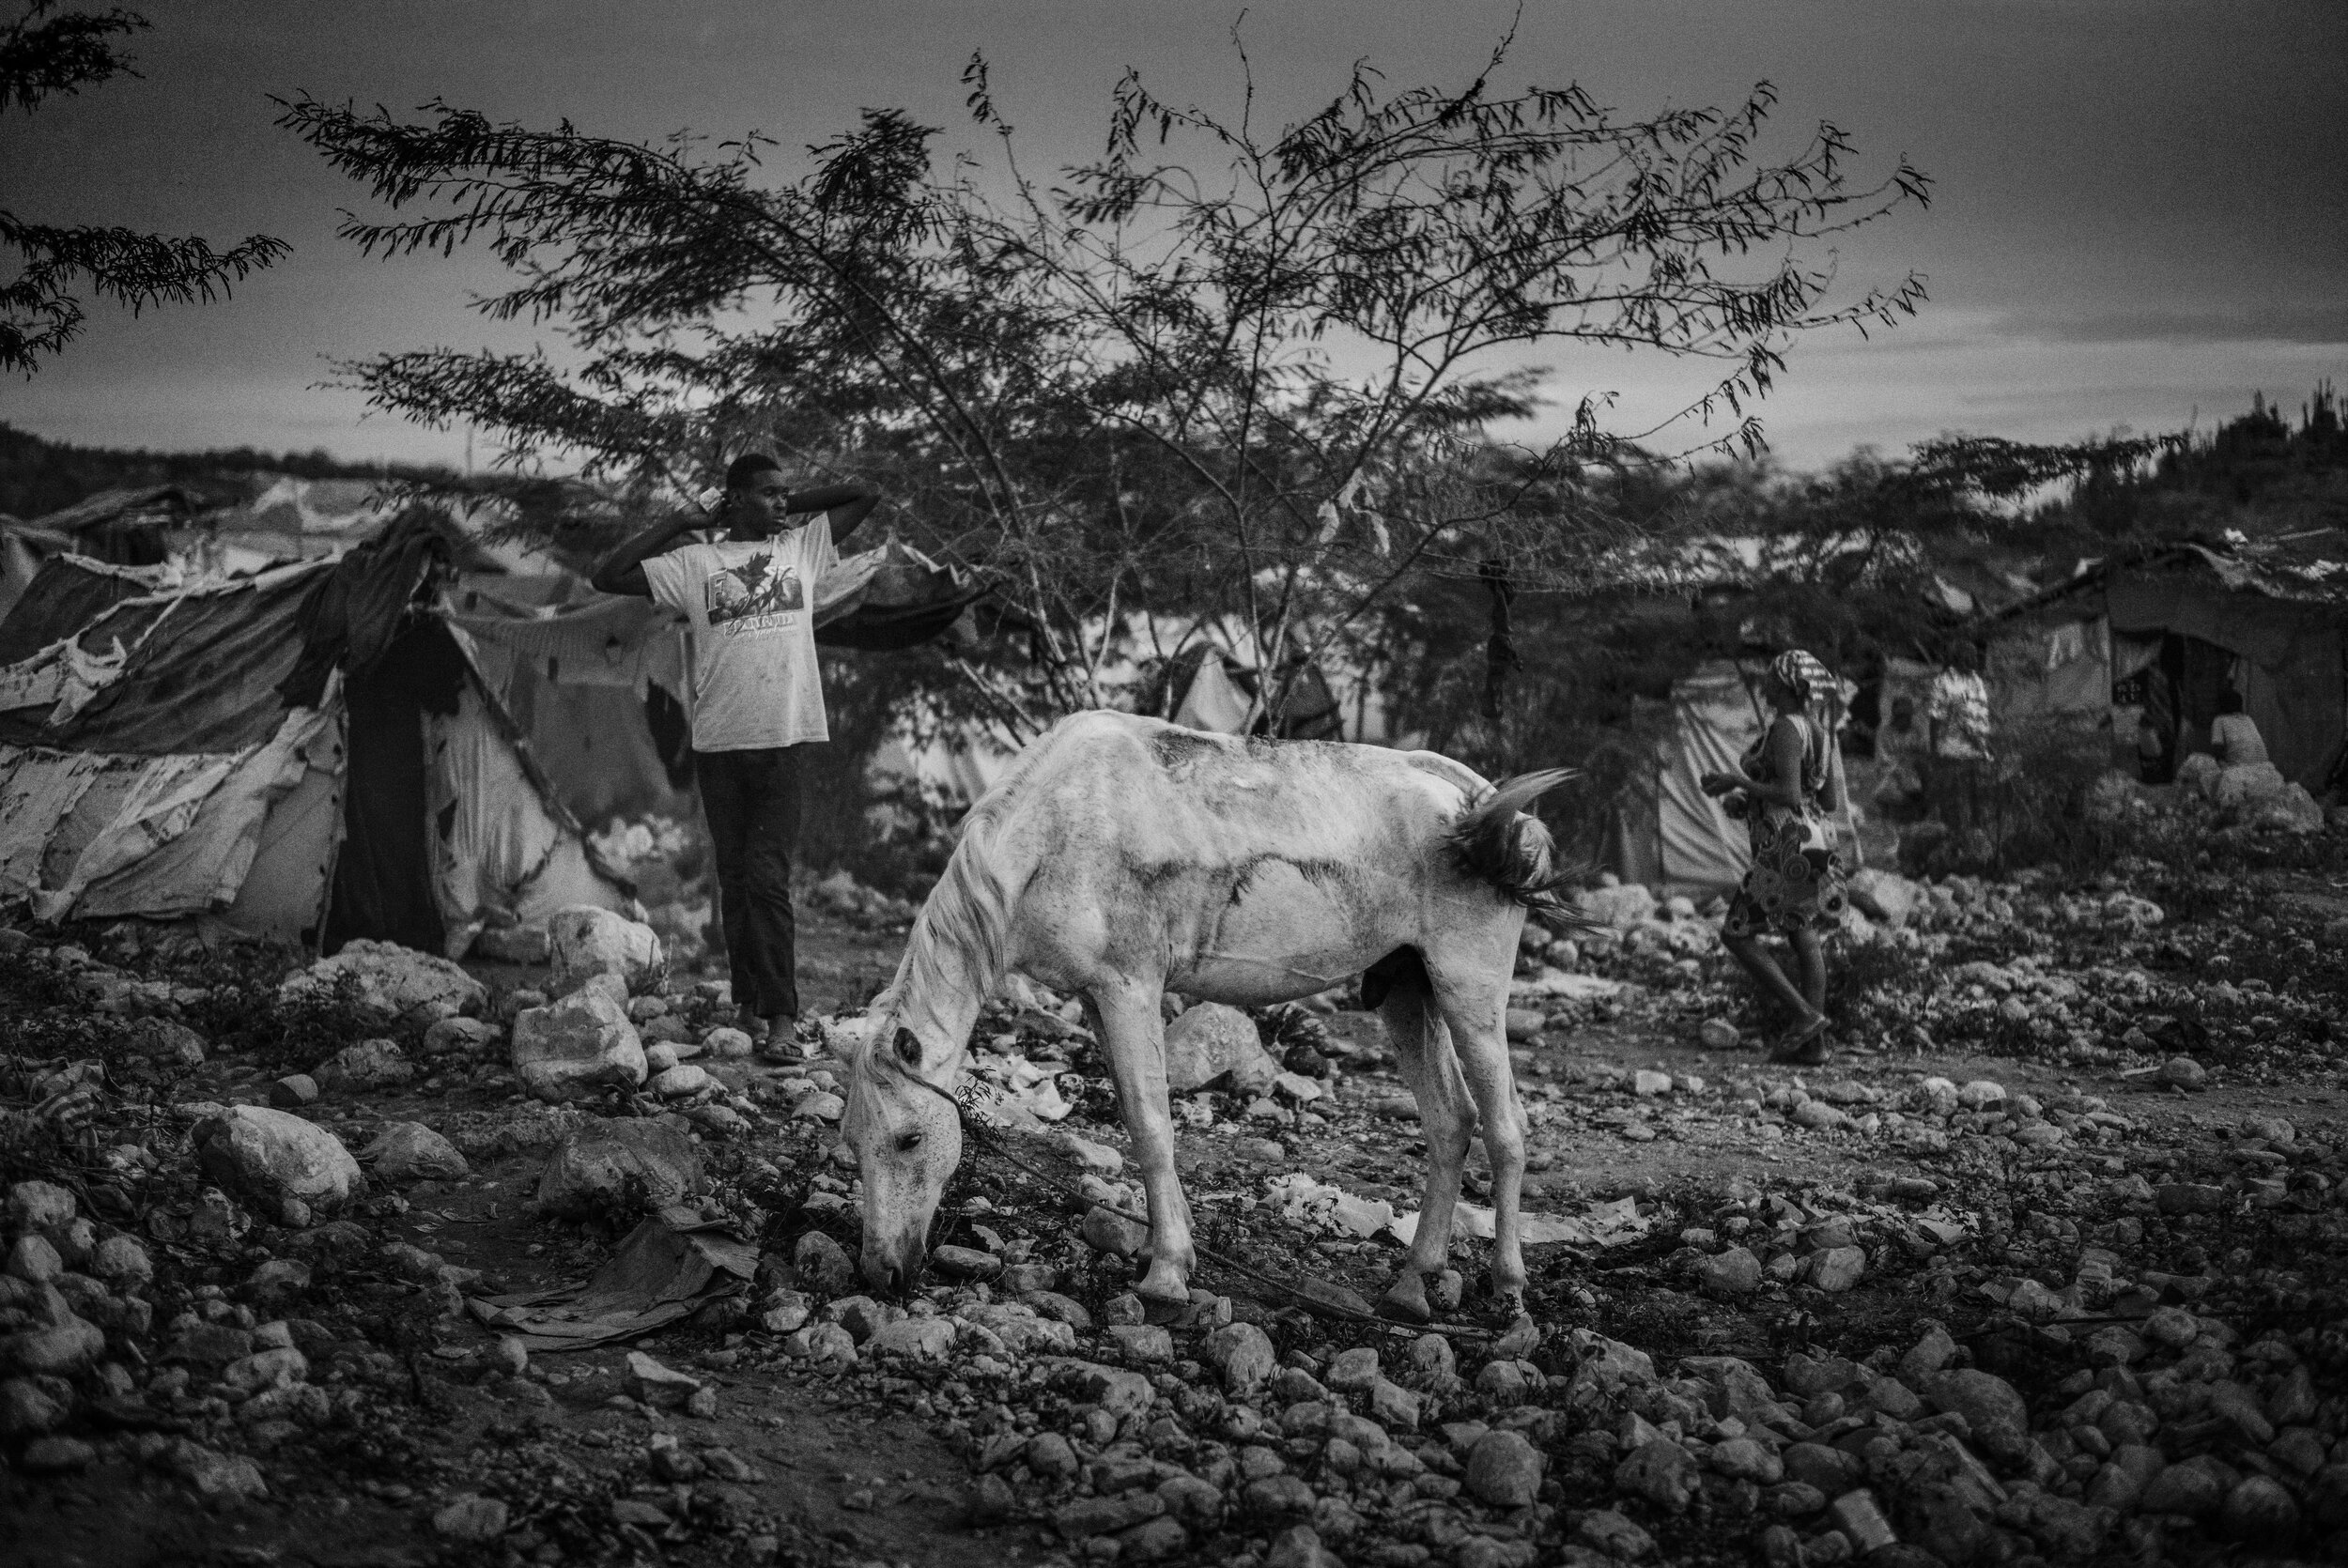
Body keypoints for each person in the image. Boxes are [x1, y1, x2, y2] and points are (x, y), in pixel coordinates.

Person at [591, 453, 882, 1059]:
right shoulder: (695, 563)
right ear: (735, 499)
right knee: (737, 878)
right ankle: (747, 1002)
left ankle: (780, 1019)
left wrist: (783, 503)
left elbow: (863, 492)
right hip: (721, 743)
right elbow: (607, 575)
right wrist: (681, 521)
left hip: (783, 741)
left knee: (769, 879)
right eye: (770, 494)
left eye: (786, 494)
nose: (783, 502)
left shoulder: (800, 548)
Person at [1701, 650, 1850, 1066]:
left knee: (1736, 933)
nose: (1763, 683)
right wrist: (1749, 802)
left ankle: (1805, 1016)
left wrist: (1738, 780)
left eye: (1769, 677)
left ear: (1785, 686)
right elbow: (1828, 799)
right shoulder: (1821, 731)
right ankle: (1814, 1047)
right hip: (1817, 836)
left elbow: (1786, 794)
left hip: (1787, 843)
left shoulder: (1786, 728)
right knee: (1802, 931)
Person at [1925, 642, 1993, 835]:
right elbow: (1935, 717)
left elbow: (1981, 713)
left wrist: (1986, 743)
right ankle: (1952, 834)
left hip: (1977, 749)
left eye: (1974, 656)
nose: (1971, 660)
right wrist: (1934, 749)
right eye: (1967, 656)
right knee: (1953, 796)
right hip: (1951, 749)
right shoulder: (1944, 681)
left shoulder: (1976, 681)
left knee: (1976, 798)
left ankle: (1976, 836)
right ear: (1957, 658)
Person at [2210, 689, 2269, 767]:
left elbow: (2217, 749)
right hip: (2265, 770)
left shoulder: (2220, 720)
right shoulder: (2248, 719)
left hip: (2239, 772)